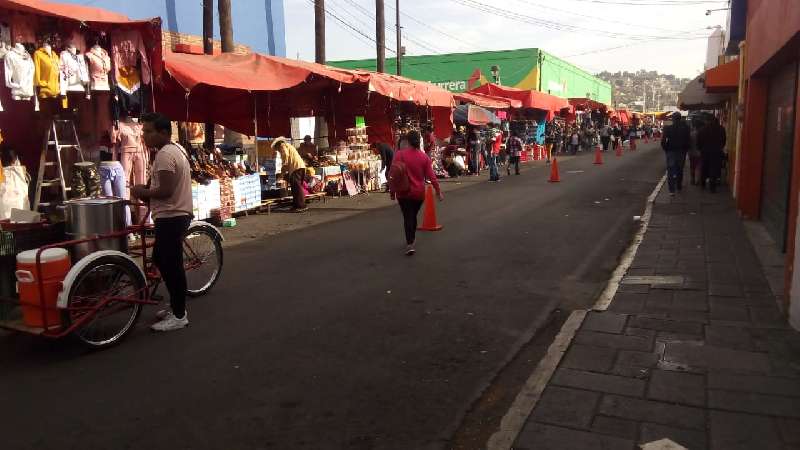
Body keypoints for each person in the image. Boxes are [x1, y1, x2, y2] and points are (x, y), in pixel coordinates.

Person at [131, 113, 193, 332]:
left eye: (149, 131)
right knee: (161, 259)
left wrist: (141, 191)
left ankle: (179, 315)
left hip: (171, 216)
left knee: (172, 266)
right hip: (174, 214)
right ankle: (176, 306)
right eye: (144, 131)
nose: (144, 136)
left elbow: (165, 191)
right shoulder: (174, 150)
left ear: (164, 132)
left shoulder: (165, 155)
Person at [389, 130, 443, 255]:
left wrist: (392, 192)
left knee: (408, 216)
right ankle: (411, 239)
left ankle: (410, 243)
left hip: (403, 192)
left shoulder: (400, 155)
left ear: (407, 141)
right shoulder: (424, 157)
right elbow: (432, 177)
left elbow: (393, 175)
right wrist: (438, 192)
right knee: (412, 216)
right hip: (419, 194)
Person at [273, 137, 308, 212]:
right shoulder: (289, 146)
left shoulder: (283, 146)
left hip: (296, 168)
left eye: (277, 149)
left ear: (278, 145)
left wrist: (282, 171)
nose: (278, 151)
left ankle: (301, 206)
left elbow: (286, 157)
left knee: (297, 188)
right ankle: (296, 205)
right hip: (299, 167)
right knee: (295, 188)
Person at [660, 112, 691, 195]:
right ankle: (679, 185)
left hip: (671, 151)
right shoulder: (686, 128)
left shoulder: (667, 128)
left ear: (673, 119)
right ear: (680, 118)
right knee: (680, 169)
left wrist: (666, 149)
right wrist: (685, 150)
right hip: (681, 152)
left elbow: (663, 141)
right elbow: (688, 141)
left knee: (670, 170)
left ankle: (671, 190)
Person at [697, 116, 727, 193]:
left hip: (705, 152)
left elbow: (698, 142)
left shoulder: (702, 130)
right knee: (714, 168)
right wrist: (719, 148)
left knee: (704, 168)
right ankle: (712, 187)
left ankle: (703, 184)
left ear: (707, 121)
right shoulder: (721, 129)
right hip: (716, 152)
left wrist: (701, 149)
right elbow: (723, 141)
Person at [688, 119, 705, 185]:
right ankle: (698, 180)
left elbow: (688, 143)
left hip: (692, 153)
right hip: (700, 153)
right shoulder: (702, 133)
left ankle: (692, 179)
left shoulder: (691, 134)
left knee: (692, 166)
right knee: (699, 167)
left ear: (694, 126)